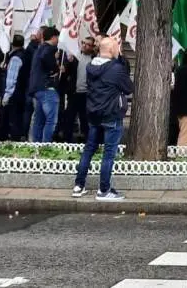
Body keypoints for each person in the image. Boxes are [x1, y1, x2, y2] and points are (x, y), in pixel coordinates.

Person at [72, 38, 132, 201]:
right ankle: (104, 190)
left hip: (94, 114)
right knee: (108, 153)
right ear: (112, 49)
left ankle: (79, 186)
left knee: (89, 149)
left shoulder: (91, 66)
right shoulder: (116, 68)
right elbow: (128, 88)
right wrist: (120, 60)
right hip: (111, 114)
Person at [28, 27, 62, 143]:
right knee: (51, 120)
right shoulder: (50, 48)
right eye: (57, 37)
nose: (58, 40)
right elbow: (45, 58)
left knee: (39, 120)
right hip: (47, 88)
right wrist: (55, 68)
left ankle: (36, 145)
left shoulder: (39, 48)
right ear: (53, 38)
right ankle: (46, 146)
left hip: (37, 89)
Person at [0, 35, 26, 141]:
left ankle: (1, 142)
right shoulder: (23, 55)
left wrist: (7, 96)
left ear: (12, 44)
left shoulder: (16, 57)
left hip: (12, 96)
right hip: (19, 94)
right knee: (15, 120)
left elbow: (12, 79)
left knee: (7, 121)